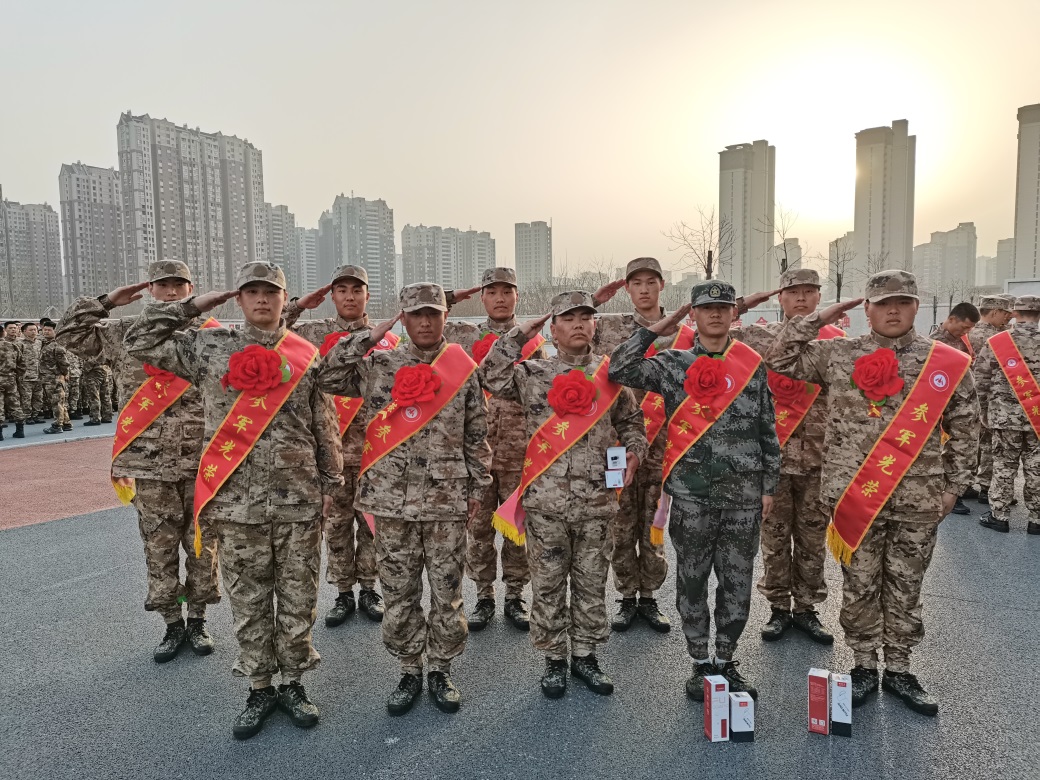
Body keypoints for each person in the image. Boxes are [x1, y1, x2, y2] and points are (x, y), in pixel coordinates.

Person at [124, 261, 343, 740]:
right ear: (238, 299)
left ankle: (293, 683)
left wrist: (331, 485)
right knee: (248, 598)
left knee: (299, 597)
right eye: (252, 291)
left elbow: (323, 423)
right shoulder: (209, 346)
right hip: (235, 502)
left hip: (299, 499)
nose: (262, 299)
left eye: (271, 291)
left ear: (285, 299)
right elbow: (139, 341)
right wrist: (190, 306)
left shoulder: (305, 354)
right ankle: (259, 686)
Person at [766, 270, 978, 716]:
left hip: (918, 496)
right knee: (860, 583)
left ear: (916, 306)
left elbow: (965, 426)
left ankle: (899, 667)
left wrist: (954, 486)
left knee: (906, 584)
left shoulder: (944, 361)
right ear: (866, 309)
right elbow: (780, 358)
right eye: (882, 303)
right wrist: (818, 317)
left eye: (902, 302)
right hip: (853, 496)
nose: (893, 310)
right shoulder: (839, 353)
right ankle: (863, 663)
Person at [318, 282, 491, 716]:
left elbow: (476, 435)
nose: (426, 322)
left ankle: (441, 668)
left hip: (446, 499)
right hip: (391, 500)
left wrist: (477, 488)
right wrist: (367, 337)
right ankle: (409, 668)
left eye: (433, 313)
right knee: (398, 590)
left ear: (446, 316)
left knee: (447, 591)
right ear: (403, 318)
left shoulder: (462, 368)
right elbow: (326, 376)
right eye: (416, 314)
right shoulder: (380, 364)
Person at [610, 280, 780, 702]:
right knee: (692, 580)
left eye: (724, 307)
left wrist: (769, 485)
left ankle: (726, 659)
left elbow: (767, 427)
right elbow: (620, 369)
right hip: (691, 493)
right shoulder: (673, 362)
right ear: (694, 314)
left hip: (743, 494)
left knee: (737, 582)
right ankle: (700, 662)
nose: (716, 314)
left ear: (734, 313)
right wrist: (657, 328)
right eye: (706, 308)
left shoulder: (751, 364)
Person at [482, 291, 648, 698]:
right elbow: (490, 375)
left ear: (595, 325)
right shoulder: (533, 373)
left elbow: (632, 420)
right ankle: (554, 658)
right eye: (568, 318)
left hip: (597, 502)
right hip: (546, 504)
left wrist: (635, 450)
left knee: (591, 583)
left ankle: (586, 655)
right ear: (553, 329)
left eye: (585, 317)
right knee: (549, 585)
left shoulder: (610, 374)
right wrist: (521, 334)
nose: (578, 324)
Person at [56, 261, 222, 663]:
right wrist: (106, 302)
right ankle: (172, 622)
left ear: (192, 289)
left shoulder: (211, 336)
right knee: (159, 547)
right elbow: (68, 335)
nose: (171, 292)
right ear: (150, 290)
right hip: (149, 465)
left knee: (203, 547)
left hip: (204, 463)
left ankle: (198, 619)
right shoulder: (124, 333)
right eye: (162, 285)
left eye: (179, 285)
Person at [281, 265, 395, 626]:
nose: (349, 297)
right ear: (331, 296)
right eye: (342, 290)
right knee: (337, 526)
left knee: (372, 525)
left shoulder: (388, 340)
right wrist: (299, 305)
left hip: (375, 450)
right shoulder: (314, 333)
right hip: (331, 450)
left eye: (356, 290)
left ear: (367, 295)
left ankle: (369, 588)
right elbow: (270, 331)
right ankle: (344, 592)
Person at [730, 268, 838, 645]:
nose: (801, 298)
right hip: (771, 459)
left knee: (812, 538)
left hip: (820, 460)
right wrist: (741, 305)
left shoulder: (838, 343)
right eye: (793, 292)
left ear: (820, 296)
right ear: (780, 298)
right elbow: (707, 333)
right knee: (774, 538)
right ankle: (778, 608)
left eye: (809, 291)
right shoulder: (759, 337)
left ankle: (806, 609)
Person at [437, 267, 546, 632]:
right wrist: (452, 297)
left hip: (520, 451)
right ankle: (484, 596)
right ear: (482, 297)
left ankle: (515, 595)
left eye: (507, 291)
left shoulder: (535, 340)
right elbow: (426, 316)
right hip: (476, 452)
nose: (500, 298)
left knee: (516, 527)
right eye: (493, 292)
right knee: (478, 530)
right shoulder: (463, 336)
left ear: (517, 296)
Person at [975, 295, 1040, 535]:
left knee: (1003, 465)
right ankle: (1036, 519)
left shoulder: (998, 341)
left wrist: (983, 411)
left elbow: (980, 380)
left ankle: (999, 516)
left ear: (1015, 313)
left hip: (1004, 417)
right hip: (1037, 418)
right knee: (1037, 467)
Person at [966, 296, 1013, 503]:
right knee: (988, 443)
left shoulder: (968, 332)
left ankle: (966, 484)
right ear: (994, 312)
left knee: (970, 441)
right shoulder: (998, 337)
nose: (1007, 318)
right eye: (1005, 313)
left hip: (968, 395)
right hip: (990, 396)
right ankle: (986, 486)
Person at [39, 322, 72, 434]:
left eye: (49, 330)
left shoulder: (57, 346)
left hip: (55, 378)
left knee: (56, 402)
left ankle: (57, 425)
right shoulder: (45, 344)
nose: (46, 332)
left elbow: (64, 363)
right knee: (59, 402)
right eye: (44, 330)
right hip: (48, 378)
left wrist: (64, 374)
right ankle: (66, 423)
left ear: (55, 331)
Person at [0, 321, 26, 440]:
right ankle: (20, 430)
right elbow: (22, 364)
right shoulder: (12, 346)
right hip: (10, 378)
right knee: (15, 404)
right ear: (3, 332)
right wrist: (17, 375)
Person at [18, 322, 43, 424]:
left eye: (35, 330)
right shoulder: (19, 343)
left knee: (38, 397)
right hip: (26, 376)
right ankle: (27, 416)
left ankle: (35, 415)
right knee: (26, 398)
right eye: (31, 330)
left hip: (38, 375)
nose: (33, 332)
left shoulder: (39, 343)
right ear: (24, 331)